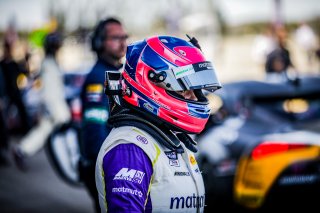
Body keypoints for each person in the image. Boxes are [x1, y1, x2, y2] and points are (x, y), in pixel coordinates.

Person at [95, 35, 222, 212]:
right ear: (152, 83)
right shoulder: (130, 148)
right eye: (185, 89)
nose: (195, 97)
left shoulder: (170, 136)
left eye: (196, 91)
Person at [79, 17, 128, 212]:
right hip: (105, 165)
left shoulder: (115, 72)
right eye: (116, 37)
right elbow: (94, 127)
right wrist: (108, 167)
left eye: (124, 36)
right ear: (100, 42)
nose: (123, 42)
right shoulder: (99, 77)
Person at [13, 32, 71, 170]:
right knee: (51, 131)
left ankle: (21, 150)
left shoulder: (51, 64)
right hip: (54, 108)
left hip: (53, 107)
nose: (58, 49)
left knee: (42, 132)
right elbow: (50, 93)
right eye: (56, 46)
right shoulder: (49, 65)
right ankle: (21, 151)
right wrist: (59, 113)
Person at [0, 33, 31, 134]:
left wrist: (26, 58)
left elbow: (24, 71)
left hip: (14, 92)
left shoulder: (13, 63)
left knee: (22, 111)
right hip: (6, 94)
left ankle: (25, 131)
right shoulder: (3, 64)